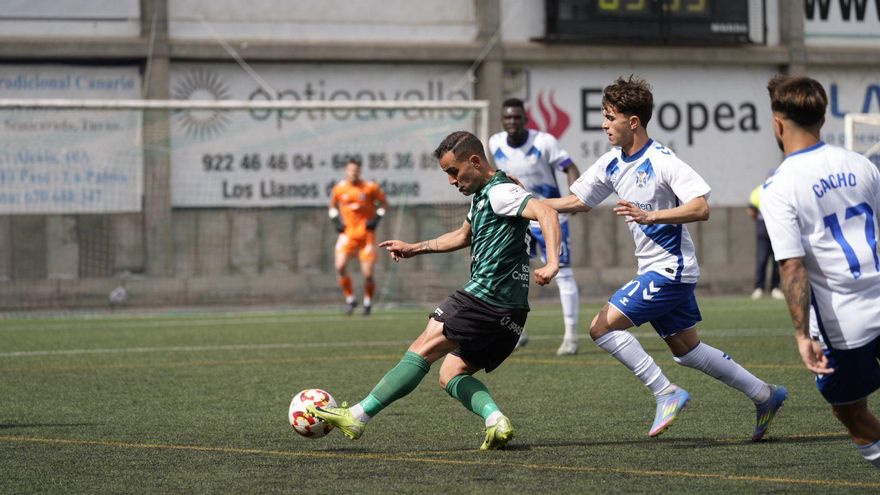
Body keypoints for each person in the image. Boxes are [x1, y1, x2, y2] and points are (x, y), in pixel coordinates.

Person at [543, 75, 787, 440]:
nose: (603, 124)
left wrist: (652, 216)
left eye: (610, 117)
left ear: (633, 122)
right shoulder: (612, 162)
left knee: (601, 327)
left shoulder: (662, 160)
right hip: (661, 270)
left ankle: (665, 391)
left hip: (670, 269)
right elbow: (578, 201)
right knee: (687, 351)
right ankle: (765, 394)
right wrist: (527, 204)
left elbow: (701, 207)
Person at [309, 131, 561, 449]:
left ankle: (358, 416)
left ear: (474, 161)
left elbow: (547, 212)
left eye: (454, 171)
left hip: (485, 298)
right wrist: (415, 248)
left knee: (423, 347)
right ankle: (496, 421)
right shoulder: (485, 195)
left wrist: (552, 263)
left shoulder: (500, 192)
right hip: (512, 314)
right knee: (451, 374)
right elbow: (463, 236)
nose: (451, 181)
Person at [760, 74, 880, 468]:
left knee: (851, 413)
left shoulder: (779, 186)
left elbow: (792, 266)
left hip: (845, 324)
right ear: (823, 119)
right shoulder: (862, 165)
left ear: (778, 124)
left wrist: (800, 334)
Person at [488, 98, 582, 355]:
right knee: (511, 276)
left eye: (517, 117)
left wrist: (574, 196)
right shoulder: (495, 143)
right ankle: (516, 332)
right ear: (502, 120)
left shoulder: (544, 142)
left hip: (550, 217)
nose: (512, 122)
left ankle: (571, 336)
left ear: (525, 119)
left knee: (563, 274)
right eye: (508, 118)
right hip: (519, 219)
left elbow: (570, 167)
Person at [328, 158, 388, 316]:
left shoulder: (370, 187)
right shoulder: (339, 188)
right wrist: (336, 221)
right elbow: (332, 207)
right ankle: (350, 300)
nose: (353, 173)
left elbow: (383, 204)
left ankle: (367, 302)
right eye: (350, 170)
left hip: (366, 236)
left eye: (355, 170)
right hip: (347, 235)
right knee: (340, 266)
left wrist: (377, 218)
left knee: (367, 274)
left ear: (359, 171)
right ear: (346, 171)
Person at [747, 182, 784, 300]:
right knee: (762, 260)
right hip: (763, 232)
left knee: (777, 261)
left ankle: (775, 288)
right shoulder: (759, 191)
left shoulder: (781, 190)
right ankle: (758, 288)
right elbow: (751, 210)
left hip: (778, 231)